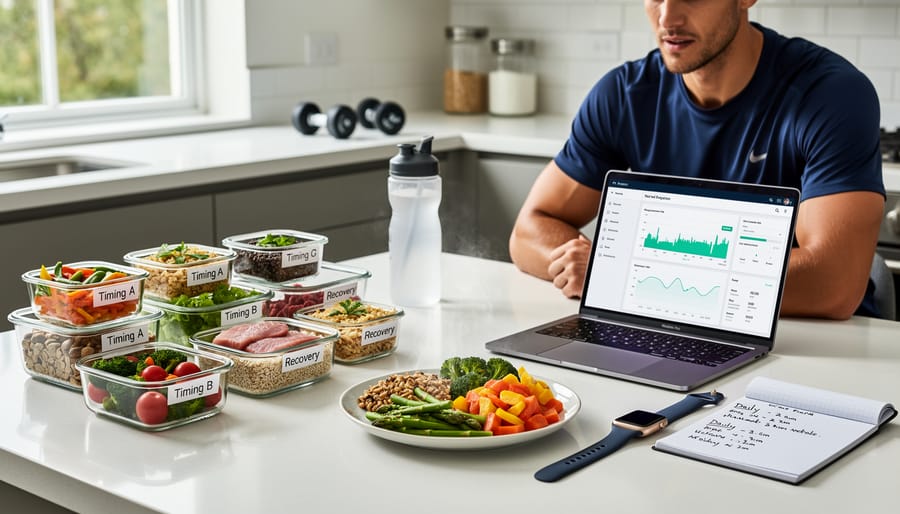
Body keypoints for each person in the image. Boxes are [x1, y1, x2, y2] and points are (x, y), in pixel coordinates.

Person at [509, 0, 885, 320]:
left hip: (812, 349)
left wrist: (626, 273)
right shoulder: (623, 95)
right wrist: (629, 277)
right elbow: (529, 230)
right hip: (664, 328)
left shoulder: (831, 95)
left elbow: (833, 285)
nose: (667, 17)